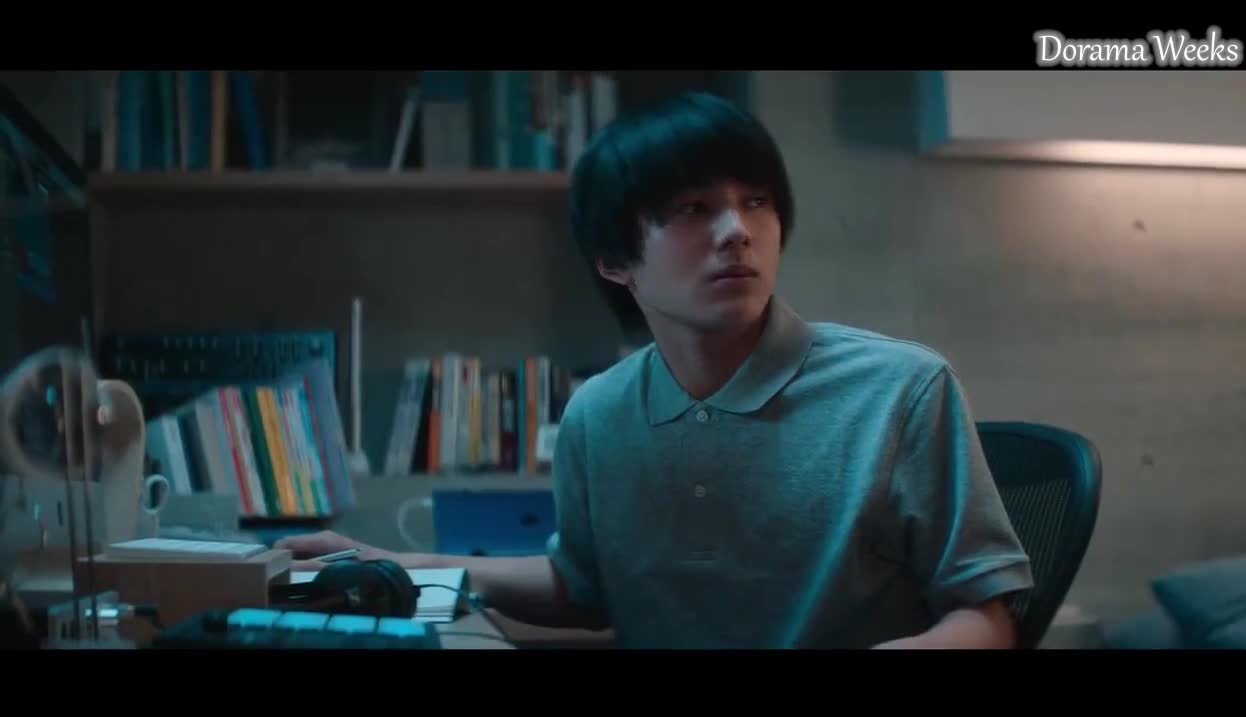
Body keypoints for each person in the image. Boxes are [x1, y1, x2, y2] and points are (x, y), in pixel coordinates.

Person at [278, 91, 1034, 649]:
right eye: (693, 209)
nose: (737, 232)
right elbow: (583, 590)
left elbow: (987, 617)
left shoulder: (901, 389)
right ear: (615, 260)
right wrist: (403, 565)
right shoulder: (599, 413)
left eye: (756, 202)